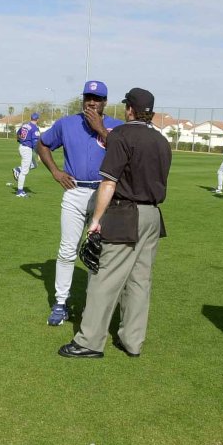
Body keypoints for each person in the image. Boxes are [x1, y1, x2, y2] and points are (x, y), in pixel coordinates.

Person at [58, 87, 172, 358]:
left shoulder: (121, 134)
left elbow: (109, 182)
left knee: (104, 277)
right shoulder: (161, 141)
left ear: (129, 110)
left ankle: (88, 342)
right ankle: (132, 341)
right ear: (151, 113)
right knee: (139, 280)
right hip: (153, 216)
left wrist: (95, 220)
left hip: (125, 213)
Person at [36, 80, 122, 325]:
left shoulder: (116, 127)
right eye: (88, 97)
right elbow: (43, 144)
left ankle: (93, 307)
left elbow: (124, 154)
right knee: (66, 250)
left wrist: (100, 129)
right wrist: (55, 171)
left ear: (105, 102)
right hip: (74, 192)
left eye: (97, 98)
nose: (92, 102)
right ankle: (61, 303)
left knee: (99, 252)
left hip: (104, 193)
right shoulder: (67, 123)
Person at [12, 112, 41, 197]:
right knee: (24, 172)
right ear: (37, 119)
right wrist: (39, 154)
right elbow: (35, 143)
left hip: (22, 147)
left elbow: (18, 133)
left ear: (31, 118)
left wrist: (21, 141)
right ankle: (19, 192)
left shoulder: (25, 125)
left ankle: (18, 169)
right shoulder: (34, 128)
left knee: (34, 165)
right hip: (27, 149)